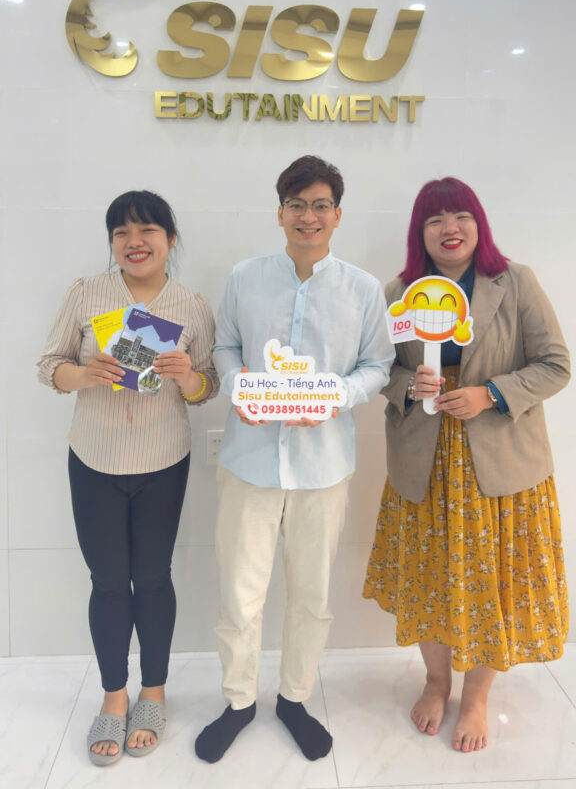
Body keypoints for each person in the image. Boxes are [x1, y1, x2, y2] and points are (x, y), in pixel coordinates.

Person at [195, 155, 394, 763]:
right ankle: (237, 702)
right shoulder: (245, 277)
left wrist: (335, 397)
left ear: (338, 214)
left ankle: (295, 699)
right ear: (280, 212)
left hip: (322, 467)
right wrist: (241, 390)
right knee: (240, 594)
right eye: (297, 204)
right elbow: (225, 347)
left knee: (311, 594)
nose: (309, 216)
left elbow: (378, 365)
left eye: (320, 205)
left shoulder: (362, 289)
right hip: (250, 461)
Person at [363, 176, 570, 753]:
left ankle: (476, 696)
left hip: (501, 462)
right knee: (430, 577)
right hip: (424, 461)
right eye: (434, 219)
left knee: (493, 581)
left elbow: (556, 364)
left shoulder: (516, 282)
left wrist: (491, 394)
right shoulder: (399, 292)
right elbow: (377, 369)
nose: (449, 228)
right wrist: (410, 385)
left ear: (478, 224)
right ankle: (436, 683)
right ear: (420, 233)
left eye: (460, 216)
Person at [37, 190, 218, 765]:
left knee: (154, 577)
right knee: (109, 581)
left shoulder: (191, 305)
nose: (134, 242)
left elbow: (207, 387)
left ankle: (154, 692)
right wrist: (83, 373)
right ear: (112, 242)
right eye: (121, 233)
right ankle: (114, 696)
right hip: (95, 459)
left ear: (170, 239)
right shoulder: (86, 293)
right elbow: (48, 366)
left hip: (163, 460)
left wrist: (188, 376)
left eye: (147, 231)